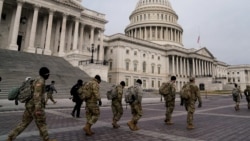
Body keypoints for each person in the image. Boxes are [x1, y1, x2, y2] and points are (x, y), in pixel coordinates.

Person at [7, 67, 56, 141]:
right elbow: (37, 95)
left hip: (29, 105)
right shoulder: (40, 81)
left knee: (24, 123)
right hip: (34, 106)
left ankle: (10, 137)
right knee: (42, 123)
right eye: (48, 74)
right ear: (45, 74)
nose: (49, 76)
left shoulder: (36, 79)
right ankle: (46, 139)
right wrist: (38, 109)